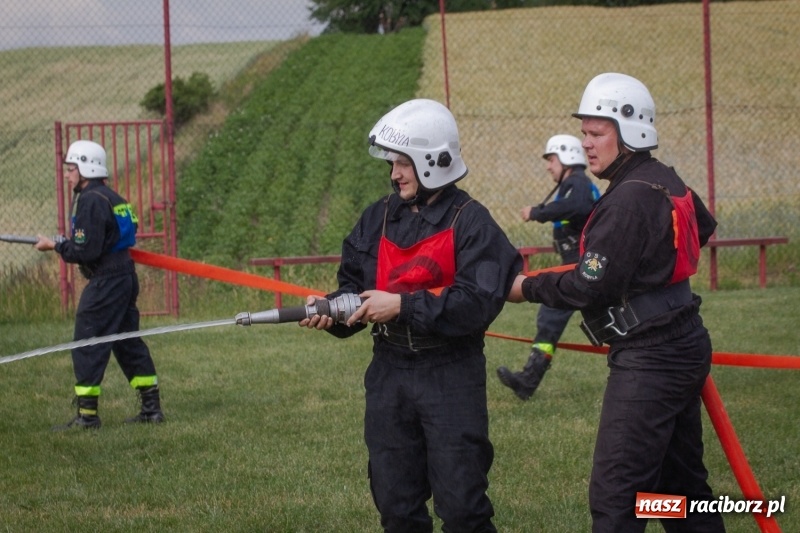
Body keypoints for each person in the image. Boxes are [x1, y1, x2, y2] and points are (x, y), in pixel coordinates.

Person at [508, 73, 725, 532]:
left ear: (630, 132)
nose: (586, 144)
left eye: (596, 133)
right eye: (584, 132)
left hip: (652, 358)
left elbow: (589, 287)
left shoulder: (625, 201)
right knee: (679, 492)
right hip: (682, 339)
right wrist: (654, 268)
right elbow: (701, 227)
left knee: (617, 498)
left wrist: (524, 287)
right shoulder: (664, 179)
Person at [301, 98, 522, 532]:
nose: (394, 173)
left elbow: (477, 303)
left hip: (450, 373)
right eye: (393, 163)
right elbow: (353, 287)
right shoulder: (376, 218)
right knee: (396, 505)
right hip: (389, 373)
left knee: (462, 507)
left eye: (404, 163)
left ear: (433, 162)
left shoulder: (472, 222)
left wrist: (402, 305)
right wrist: (334, 311)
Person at [35, 140, 165, 431]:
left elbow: (86, 251)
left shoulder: (91, 200)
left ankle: (87, 415)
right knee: (126, 340)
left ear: (85, 168)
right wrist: (64, 244)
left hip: (107, 280)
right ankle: (151, 408)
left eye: (71, 169)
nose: (67, 175)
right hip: (124, 276)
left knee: (87, 341)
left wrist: (55, 247)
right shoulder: (113, 197)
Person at [496, 134, 599, 400]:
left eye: (551, 159)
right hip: (578, 267)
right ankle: (528, 380)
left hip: (582, 269)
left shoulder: (577, 184)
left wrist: (537, 212)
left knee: (553, 314)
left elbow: (576, 207)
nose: (548, 166)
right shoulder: (573, 186)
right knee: (551, 318)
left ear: (567, 157)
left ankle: (528, 380)